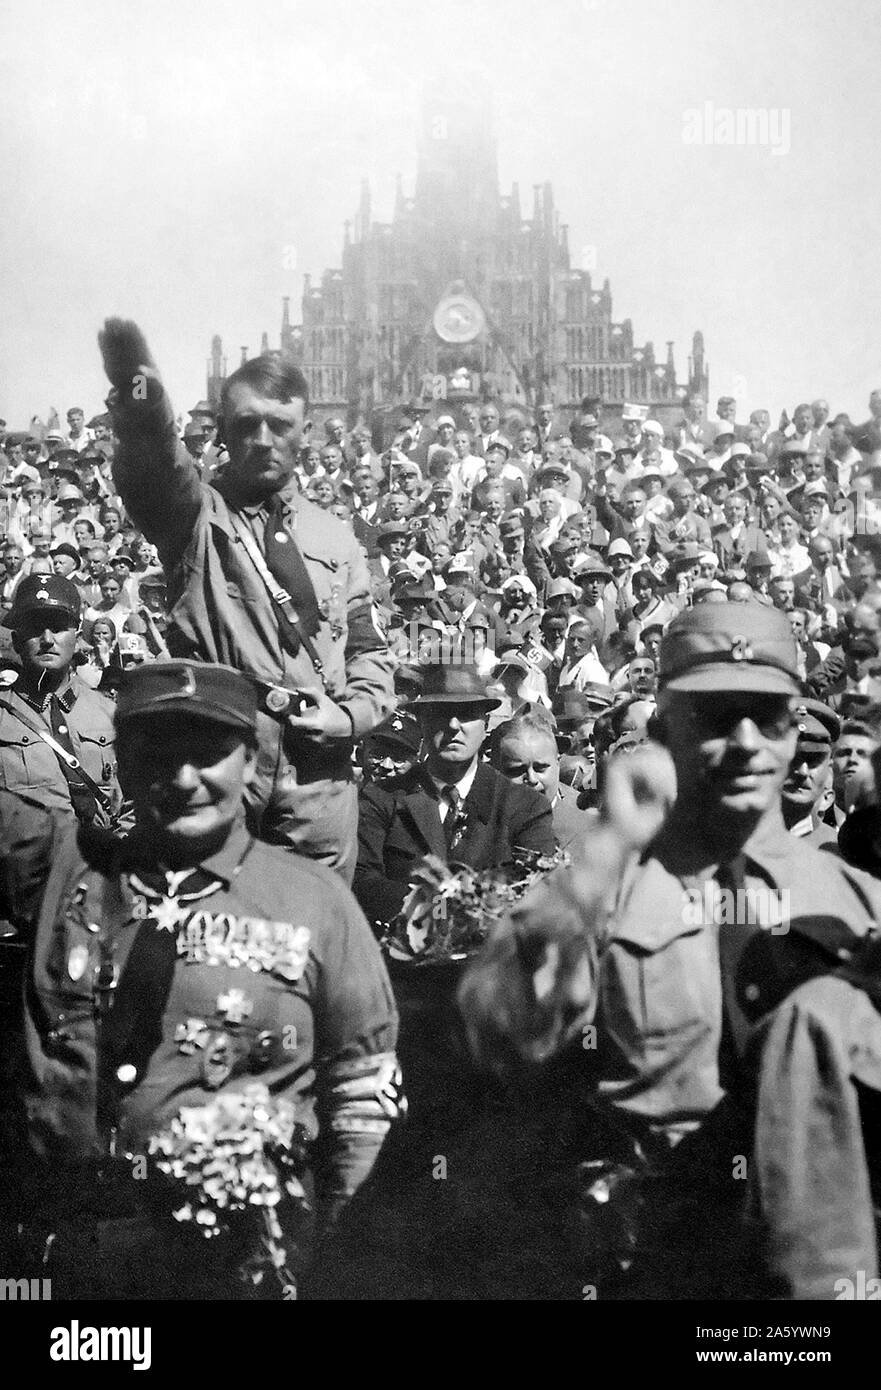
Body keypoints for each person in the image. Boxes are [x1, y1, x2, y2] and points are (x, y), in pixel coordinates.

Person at [460, 600, 881, 1298]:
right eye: (715, 717)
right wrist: (608, 849)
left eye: (768, 716)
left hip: (821, 1264)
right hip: (646, 1257)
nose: (745, 741)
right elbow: (496, 1032)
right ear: (664, 727)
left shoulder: (856, 899)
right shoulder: (605, 882)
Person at [0, 660, 402, 1300]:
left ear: (249, 759)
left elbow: (362, 1094)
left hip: (236, 1265)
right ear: (123, 760)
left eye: (209, 753)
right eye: (157, 755)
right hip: (66, 1256)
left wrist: (330, 1251)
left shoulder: (315, 902)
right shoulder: (62, 863)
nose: (184, 779)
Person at [99, 318, 395, 881]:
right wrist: (142, 395)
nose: (263, 438)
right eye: (246, 423)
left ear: (305, 430)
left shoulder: (336, 536)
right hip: (217, 755)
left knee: (312, 927)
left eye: (279, 424)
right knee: (204, 916)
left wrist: (349, 716)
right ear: (224, 433)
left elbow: (368, 647)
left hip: (317, 775)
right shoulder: (195, 516)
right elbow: (155, 465)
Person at [353, 660, 555, 928]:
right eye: (441, 712)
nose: (453, 724)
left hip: (487, 960)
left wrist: (451, 909)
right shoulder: (383, 798)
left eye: (467, 713)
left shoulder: (525, 806)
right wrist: (433, 909)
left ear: (485, 724)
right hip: (402, 953)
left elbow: (538, 892)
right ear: (422, 721)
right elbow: (362, 879)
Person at [0, 574, 121, 826]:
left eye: (57, 628)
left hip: (104, 859)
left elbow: (134, 802)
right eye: (34, 629)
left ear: (77, 640)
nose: (46, 639)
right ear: (17, 641)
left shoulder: (110, 714)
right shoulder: (3, 715)